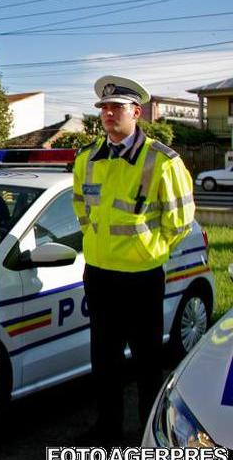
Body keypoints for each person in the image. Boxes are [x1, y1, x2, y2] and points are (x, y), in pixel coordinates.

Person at [72, 76, 195, 442]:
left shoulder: (163, 161)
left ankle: (149, 432)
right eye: (104, 108)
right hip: (99, 276)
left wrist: (147, 249)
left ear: (137, 113)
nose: (108, 114)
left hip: (142, 277)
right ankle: (108, 429)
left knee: (147, 363)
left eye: (117, 108)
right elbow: (81, 208)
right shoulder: (87, 157)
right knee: (104, 360)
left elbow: (180, 221)